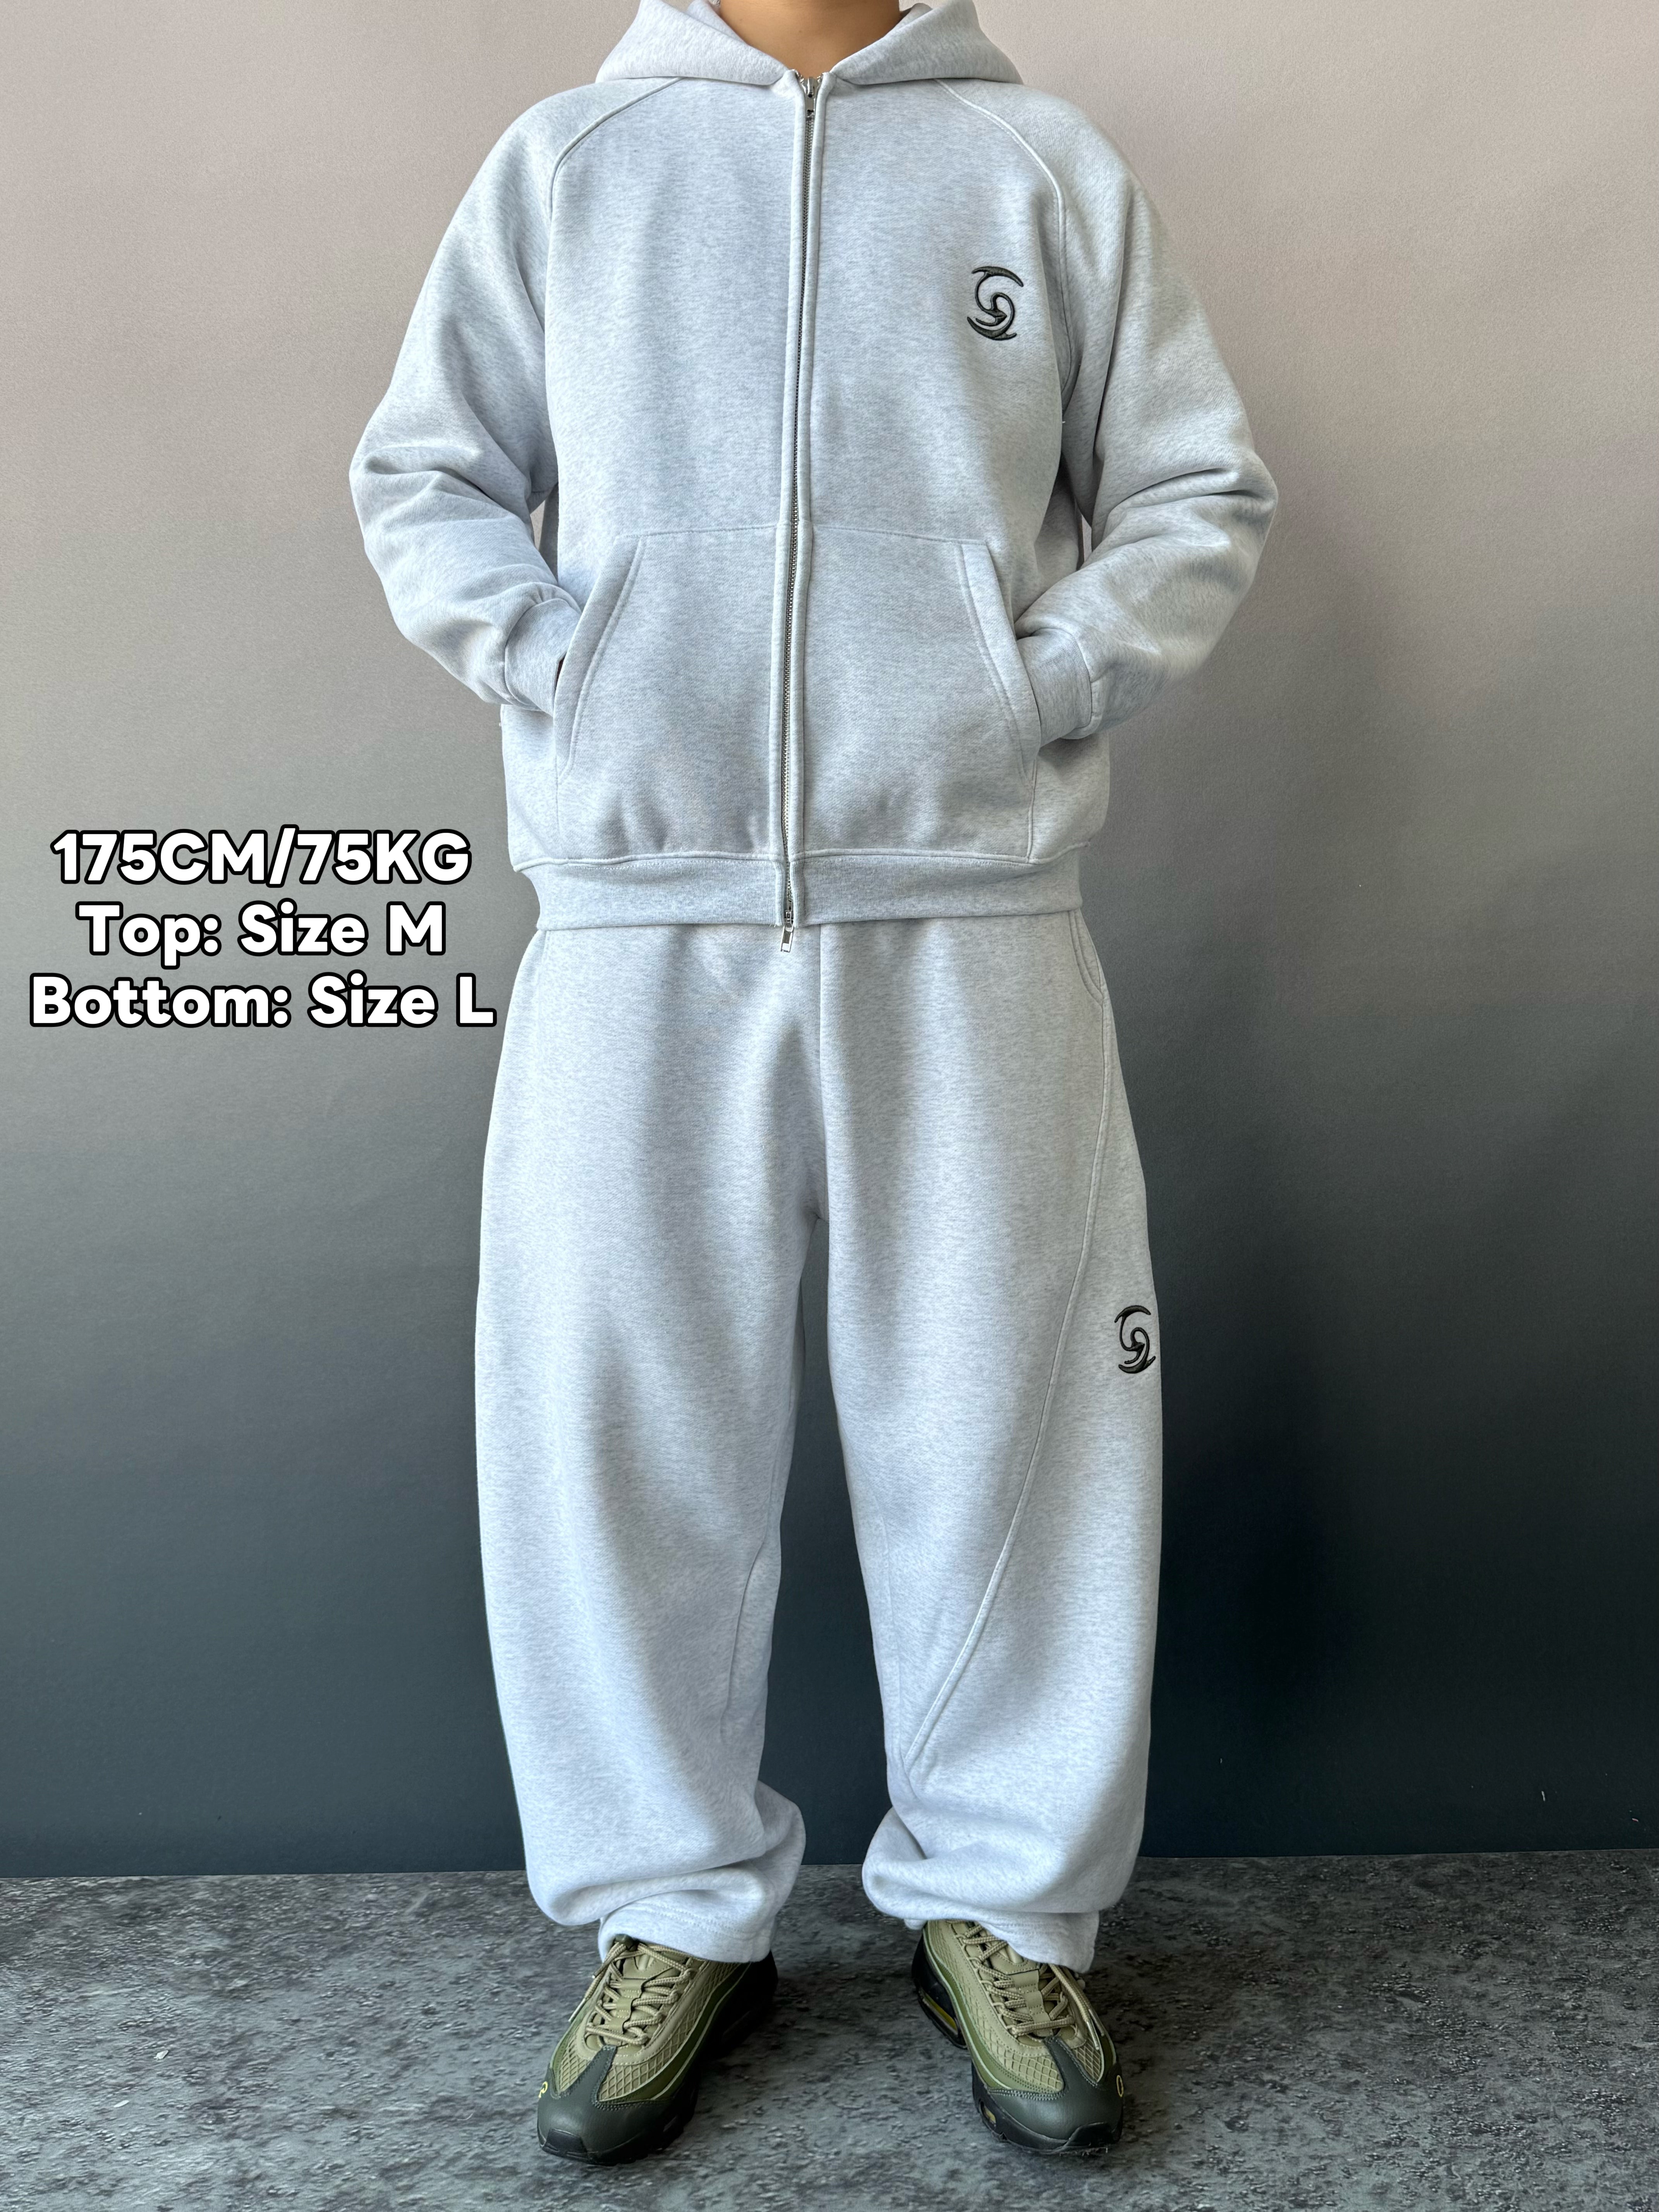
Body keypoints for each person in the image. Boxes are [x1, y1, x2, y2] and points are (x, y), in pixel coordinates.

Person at [349, 0, 1277, 2166]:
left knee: (1017, 1418)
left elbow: (1197, 486)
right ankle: (670, 1908)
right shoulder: (570, 166)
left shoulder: (1042, 172)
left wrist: (1031, 680)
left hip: (971, 906)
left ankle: (1008, 1908)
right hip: (633, 916)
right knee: (610, 1421)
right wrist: (574, 663)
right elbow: (425, 473)